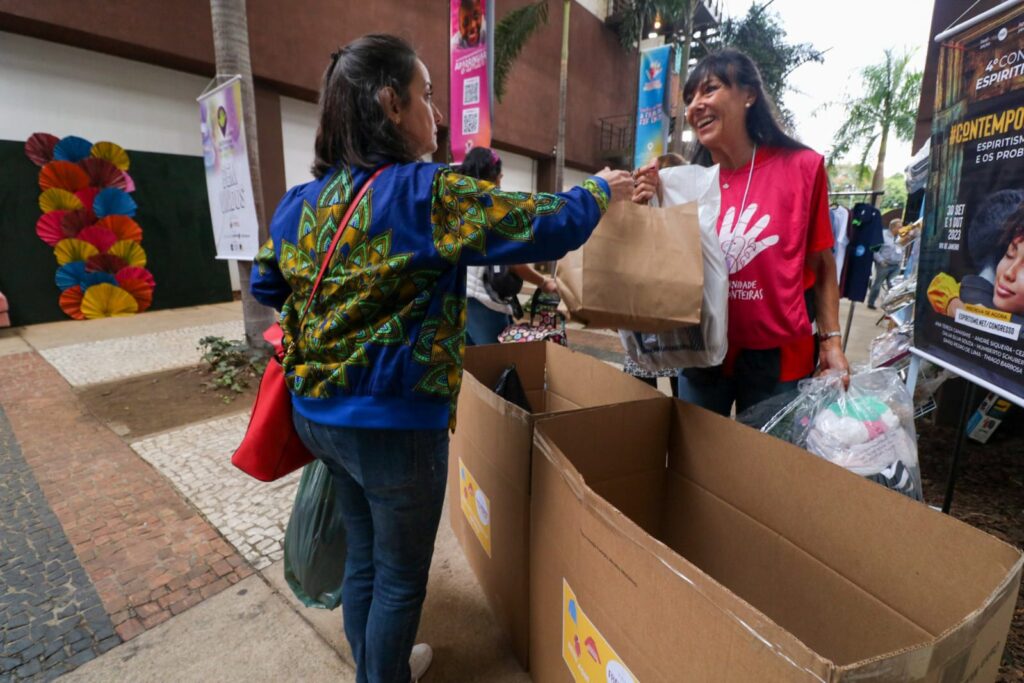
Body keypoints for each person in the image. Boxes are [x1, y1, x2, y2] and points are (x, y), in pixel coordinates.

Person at [250, 34, 631, 683]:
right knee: (399, 579)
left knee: (363, 559)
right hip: (394, 425)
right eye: (427, 94)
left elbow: (267, 284)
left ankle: (377, 668)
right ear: (390, 103)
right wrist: (599, 188)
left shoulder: (299, 204)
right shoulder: (427, 195)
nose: (437, 111)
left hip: (318, 416)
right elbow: (547, 223)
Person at [634, 48, 849, 416]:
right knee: (695, 449)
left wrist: (831, 342)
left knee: (763, 453)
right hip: (701, 348)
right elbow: (663, 268)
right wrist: (647, 205)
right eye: (690, 98)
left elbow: (822, 263)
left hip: (778, 359)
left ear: (749, 94)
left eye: (709, 89)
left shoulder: (802, 168)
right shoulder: (681, 184)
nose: (695, 106)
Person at [457, 146, 558, 344]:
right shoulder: (495, 209)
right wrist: (543, 282)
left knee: (469, 359)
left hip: (456, 297)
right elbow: (513, 262)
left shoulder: (457, 204)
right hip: (484, 301)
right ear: (494, 177)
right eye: (500, 175)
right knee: (497, 359)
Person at [622, 152, 685, 393]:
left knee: (647, 390)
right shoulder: (638, 209)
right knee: (654, 385)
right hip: (664, 320)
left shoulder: (687, 215)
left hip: (659, 319)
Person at [928, 203, 1024, 319]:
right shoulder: (973, 290)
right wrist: (957, 307)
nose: (1009, 273)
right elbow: (940, 284)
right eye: (1009, 254)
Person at [867, 219, 904, 309]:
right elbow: (875, 250)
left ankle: (890, 305)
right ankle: (871, 302)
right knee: (878, 285)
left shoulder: (902, 237)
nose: (901, 228)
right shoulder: (882, 235)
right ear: (893, 227)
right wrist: (881, 261)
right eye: (899, 227)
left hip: (896, 265)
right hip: (884, 264)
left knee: (893, 285)